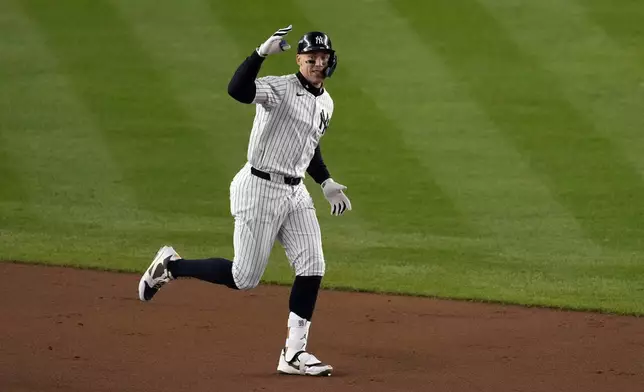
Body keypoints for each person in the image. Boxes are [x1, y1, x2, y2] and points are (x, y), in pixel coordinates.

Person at [137, 25, 352, 377]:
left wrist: (326, 181)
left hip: (295, 192)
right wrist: (259, 54)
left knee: (313, 267)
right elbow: (237, 90)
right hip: (260, 188)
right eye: (310, 58)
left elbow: (307, 145)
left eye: (322, 58)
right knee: (244, 277)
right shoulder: (279, 88)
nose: (317, 64)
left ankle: (294, 354)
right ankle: (171, 266)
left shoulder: (326, 101)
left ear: (331, 61)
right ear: (299, 59)